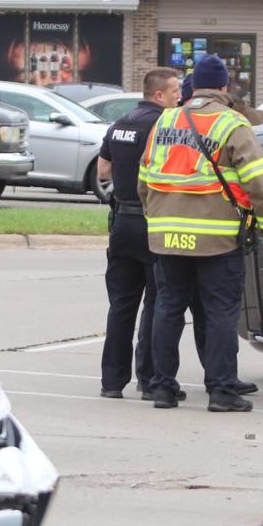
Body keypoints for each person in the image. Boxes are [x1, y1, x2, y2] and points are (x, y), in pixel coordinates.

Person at [138, 55, 263, 412]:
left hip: (166, 235)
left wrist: (157, 218)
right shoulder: (231, 123)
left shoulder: (166, 119)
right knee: (220, 312)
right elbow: (259, 183)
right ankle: (221, 391)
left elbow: (144, 177)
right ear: (223, 87)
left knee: (167, 309)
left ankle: (163, 388)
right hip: (216, 238)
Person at [97, 67, 182, 401]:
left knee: (121, 304)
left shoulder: (120, 124)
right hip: (151, 221)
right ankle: (148, 379)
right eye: (175, 91)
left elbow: (104, 169)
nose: (180, 96)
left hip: (121, 222)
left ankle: (111, 381)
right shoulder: (162, 124)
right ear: (158, 95)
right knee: (156, 301)